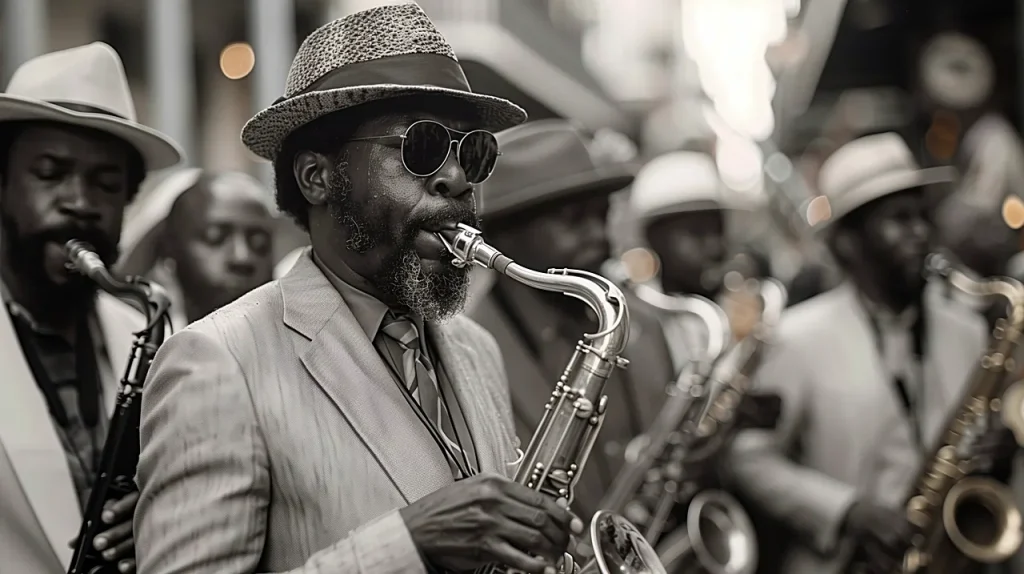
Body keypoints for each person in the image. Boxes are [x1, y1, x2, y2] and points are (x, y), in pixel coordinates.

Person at [133, 5, 581, 574]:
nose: (457, 178)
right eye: (420, 148)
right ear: (317, 177)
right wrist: (408, 543)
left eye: (472, 152)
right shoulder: (216, 361)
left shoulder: (474, 347)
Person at [724, 133, 991, 574]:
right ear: (847, 242)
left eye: (922, 216)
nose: (920, 233)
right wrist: (844, 511)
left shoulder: (966, 328)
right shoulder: (797, 336)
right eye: (898, 220)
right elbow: (749, 458)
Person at [0, 43, 182, 573]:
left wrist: (159, 507)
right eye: (51, 173)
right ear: (2, 184)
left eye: (105, 184)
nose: (80, 202)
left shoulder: (151, 332)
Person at [465, 119, 676, 521]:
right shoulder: (462, 354)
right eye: (574, 219)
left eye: (603, 215)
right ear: (504, 237)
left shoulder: (643, 324)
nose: (600, 235)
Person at [627, 150, 765, 367]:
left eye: (718, 230)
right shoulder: (634, 324)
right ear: (654, 239)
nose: (714, 246)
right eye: (696, 233)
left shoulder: (744, 306)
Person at [117, 168, 276, 328]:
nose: (242, 257)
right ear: (170, 248)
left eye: (259, 242)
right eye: (215, 237)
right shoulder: (134, 337)